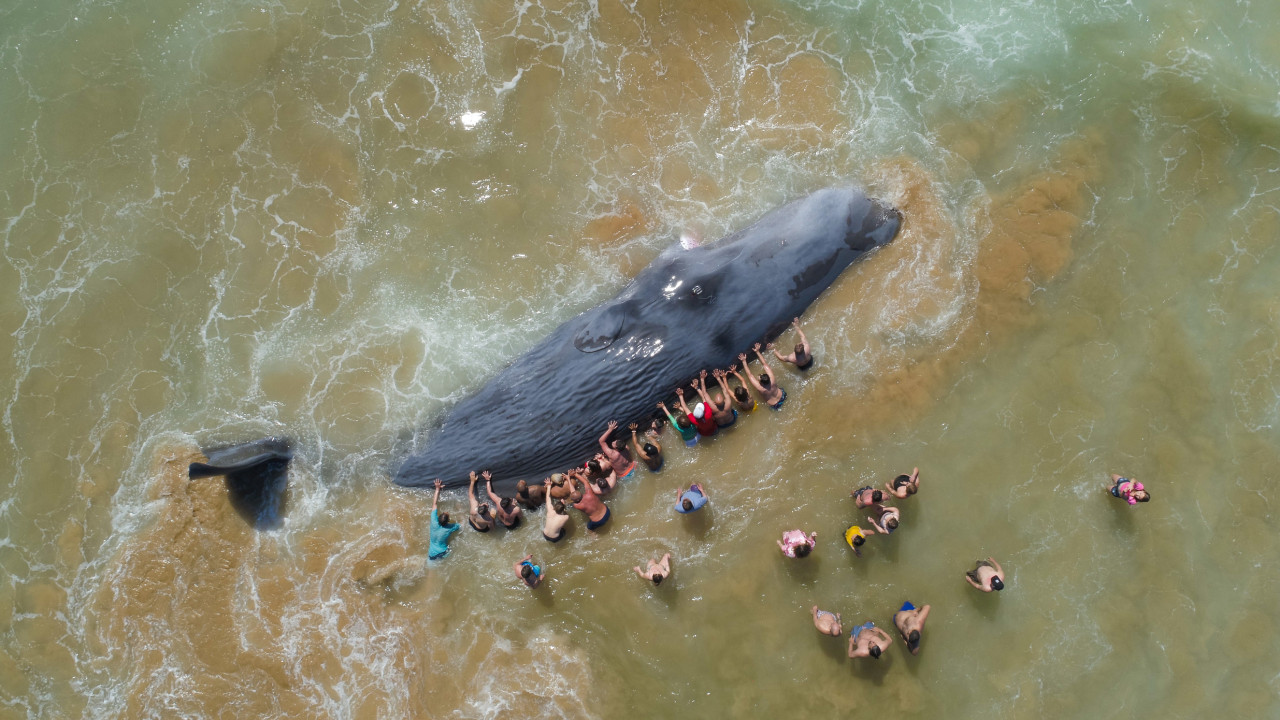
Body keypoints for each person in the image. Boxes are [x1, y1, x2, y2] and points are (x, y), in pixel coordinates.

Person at [738, 344, 785, 409]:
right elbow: (765, 364)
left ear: (761, 383)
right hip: (782, 395)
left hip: (774, 405)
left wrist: (744, 361)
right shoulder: (772, 379)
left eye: (759, 378)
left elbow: (750, 375)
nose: (759, 376)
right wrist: (758, 352)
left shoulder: (760, 388)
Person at [428, 479, 460, 560]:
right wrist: (459, 508)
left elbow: (434, 503)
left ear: (438, 518)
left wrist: (437, 488)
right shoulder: (450, 527)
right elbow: (461, 524)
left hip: (432, 555)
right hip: (444, 552)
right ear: (448, 521)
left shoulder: (434, 521)